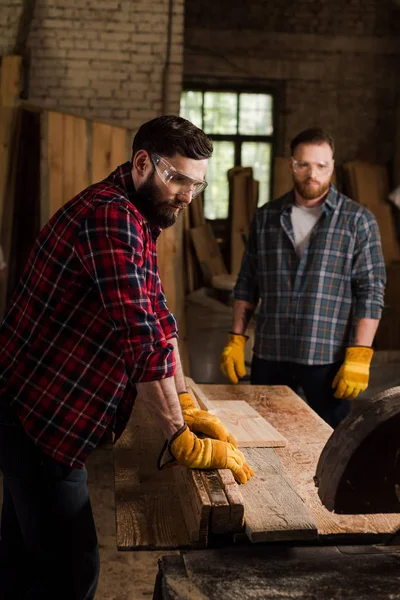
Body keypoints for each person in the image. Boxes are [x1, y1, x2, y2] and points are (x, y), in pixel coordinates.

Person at [0, 115, 254, 600]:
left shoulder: (136, 219)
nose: (186, 195)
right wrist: (179, 436)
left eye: (196, 185)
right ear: (143, 163)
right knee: (71, 574)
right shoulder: (110, 217)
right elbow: (140, 339)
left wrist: (189, 404)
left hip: (39, 411)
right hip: (40, 417)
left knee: (19, 559)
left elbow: (159, 319)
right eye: (178, 178)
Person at [220, 127, 386, 428]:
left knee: (330, 442)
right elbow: (248, 282)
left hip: (326, 357)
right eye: (304, 164)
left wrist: (360, 354)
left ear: (332, 166)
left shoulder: (358, 221)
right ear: (291, 165)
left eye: (322, 166)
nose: (313, 174)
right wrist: (236, 337)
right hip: (271, 352)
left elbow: (370, 292)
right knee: (265, 434)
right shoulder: (267, 217)